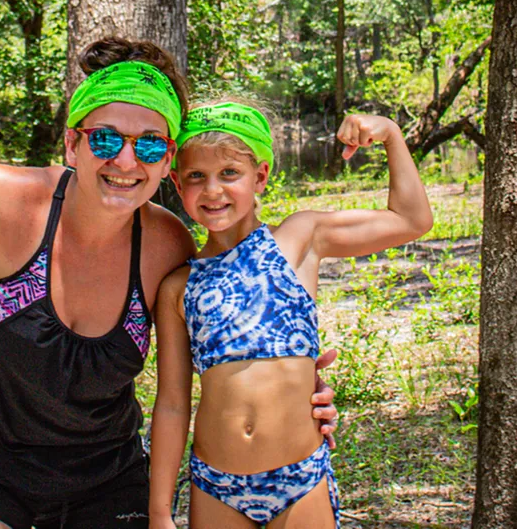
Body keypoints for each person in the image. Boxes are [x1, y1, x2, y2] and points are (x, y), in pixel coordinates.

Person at [0, 39, 339, 529]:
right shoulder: (12, 201)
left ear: (167, 161)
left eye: (149, 144)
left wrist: (296, 391)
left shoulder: (167, 243)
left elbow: (228, 334)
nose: (126, 162)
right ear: (72, 144)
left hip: (105, 477)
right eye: (105, 139)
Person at [148, 102, 433, 529]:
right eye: (196, 177)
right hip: (216, 484)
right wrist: (159, 513)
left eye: (229, 173)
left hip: (299, 478)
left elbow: (412, 220)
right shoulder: (179, 288)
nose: (212, 190)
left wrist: (391, 133)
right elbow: (172, 403)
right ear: (176, 181)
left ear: (260, 176)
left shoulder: (299, 240)